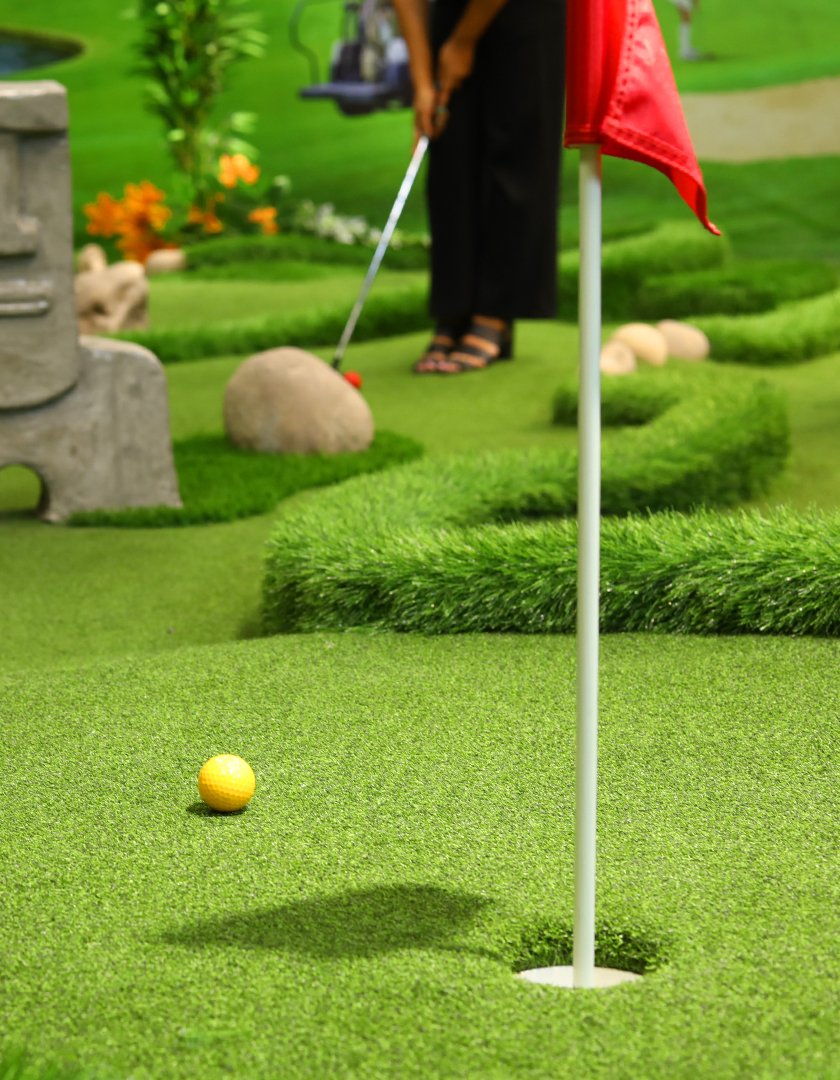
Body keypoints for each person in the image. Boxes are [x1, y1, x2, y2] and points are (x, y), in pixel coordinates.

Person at [392, 0, 566, 373]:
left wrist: (462, 43)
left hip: (526, 16)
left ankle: (495, 314)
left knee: (517, 157)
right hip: (451, 14)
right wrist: (422, 84)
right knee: (450, 156)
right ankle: (453, 312)